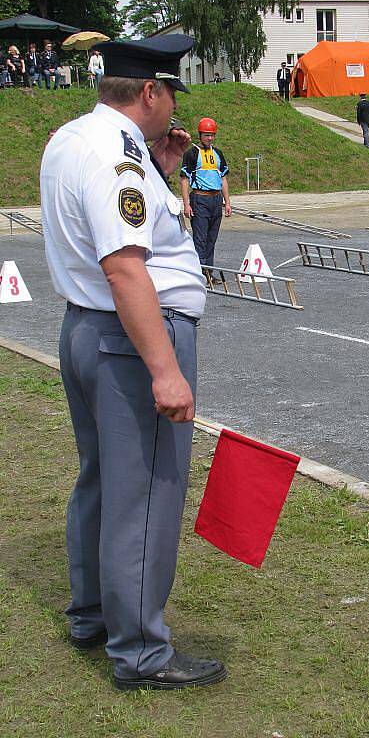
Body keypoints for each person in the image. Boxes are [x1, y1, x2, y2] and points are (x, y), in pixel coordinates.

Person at [40, 34, 227, 692]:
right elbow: (125, 268)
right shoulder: (118, 159)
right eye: (172, 92)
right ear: (150, 91)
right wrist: (165, 369)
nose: (176, 107)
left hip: (87, 331)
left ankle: (93, 612)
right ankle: (142, 652)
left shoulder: (76, 138)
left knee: (102, 482)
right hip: (132, 338)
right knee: (145, 494)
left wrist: (160, 166)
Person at [179, 117, 231, 274]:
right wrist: (186, 204)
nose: (209, 138)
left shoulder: (218, 154)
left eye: (212, 135)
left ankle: (209, 273)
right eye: (207, 135)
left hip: (216, 200)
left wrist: (227, 202)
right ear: (200, 135)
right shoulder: (192, 154)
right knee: (200, 239)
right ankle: (199, 273)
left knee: (211, 239)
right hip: (200, 199)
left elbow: (223, 178)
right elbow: (184, 180)